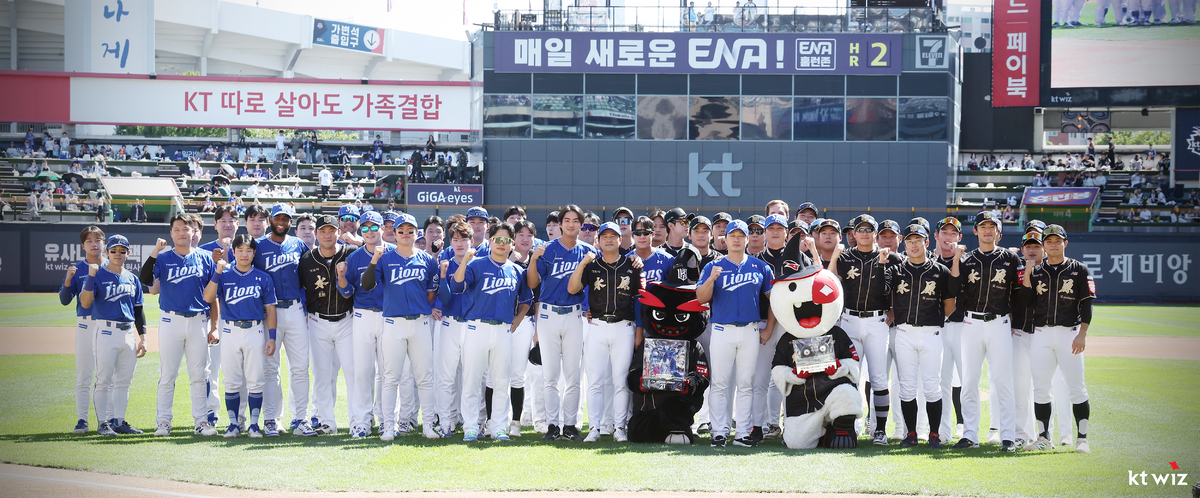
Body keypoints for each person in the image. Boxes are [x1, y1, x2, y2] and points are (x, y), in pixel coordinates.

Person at [450, 222, 533, 441]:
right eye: (497, 239)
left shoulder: (516, 270)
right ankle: (470, 426)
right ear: (490, 241)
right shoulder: (476, 264)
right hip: (476, 327)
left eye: (506, 240)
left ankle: (498, 427)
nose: (501, 244)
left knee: (501, 381)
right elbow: (457, 286)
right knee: (472, 380)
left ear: (512, 244)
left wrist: (517, 320)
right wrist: (464, 262)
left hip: (503, 330)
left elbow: (526, 300)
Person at [361, 213, 441, 441]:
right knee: (390, 377)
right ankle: (388, 426)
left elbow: (431, 292)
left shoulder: (427, 260)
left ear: (417, 234)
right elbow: (367, 284)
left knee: (424, 377)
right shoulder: (385, 258)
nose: (405, 234)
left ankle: (428, 426)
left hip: (419, 322)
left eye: (410, 230)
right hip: (393, 323)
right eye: (400, 230)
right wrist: (374, 259)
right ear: (394, 234)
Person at [696, 219, 774, 447]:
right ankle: (718, 431)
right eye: (733, 235)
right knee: (719, 383)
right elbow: (701, 298)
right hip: (721, 329)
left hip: (750, 330)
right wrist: (711, 279)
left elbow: (774, 301)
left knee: (746, 383)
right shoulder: (713, 266)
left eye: (742, 235)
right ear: (725, 239)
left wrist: (768, 328)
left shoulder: (760, 267)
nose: (737, 239)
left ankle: (742, 433)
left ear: (747, 238)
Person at [139, 214, 219, 437]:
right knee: (167, 374)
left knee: (199, 375)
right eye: (177, 229)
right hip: (170, 320)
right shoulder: (163, 259)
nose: (182, 233)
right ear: (171, 233)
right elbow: (145, 277)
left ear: (193, 232)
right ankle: (163, 422)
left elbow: (213, 297)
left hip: (198, 321)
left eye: (186, 229)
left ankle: (201, 422)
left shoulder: (205, 258)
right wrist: (155, 251)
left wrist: (215, 326)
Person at [1018, 225, 1095, 454]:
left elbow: (1087, 303)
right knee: (1041, 389)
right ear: (1044, 245)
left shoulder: (1078, 269)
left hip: (1069, 333)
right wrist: (1028, 274)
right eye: (1049, 241)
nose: (1053, 244)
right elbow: (1025, 301)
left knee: (1077, 388)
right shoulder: (1037, 271)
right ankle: (1043, 437)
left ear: (1065, 243)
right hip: (1041, 334)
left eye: (1057, 241)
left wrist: (1082, 334)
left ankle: (1082, 439)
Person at [829, 214, 903, 446]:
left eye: (868, 229)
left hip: (876, 321)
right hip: (849, 320)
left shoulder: (890, 257)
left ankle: (879, 429)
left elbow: (898, 290)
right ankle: (849, 427)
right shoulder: (845, 256)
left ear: (874, 233)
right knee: (850, 376)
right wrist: (834, 256)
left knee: (879, 377)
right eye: (859, 229)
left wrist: (893, 310)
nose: (863, 233)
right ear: (854, 233)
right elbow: (830, 280)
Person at [954, 212, 1022, 452]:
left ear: (998, 231)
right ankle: (970, 434)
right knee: (969, 380)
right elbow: (956, 291)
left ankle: (1008, 437)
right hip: (971, 323)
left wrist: (1014, 318)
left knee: (1002, 381)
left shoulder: (1011, 259)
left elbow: (1019, 293)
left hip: (999, 322)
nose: (987, 230)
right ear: (975, 231)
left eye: (992, 226)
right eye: (982, 226)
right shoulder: (967, 260)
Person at [569, 222, 643, 442]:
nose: (609, 240)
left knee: (621, 381)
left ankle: (620, 427)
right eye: (605, 236)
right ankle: (594, 428)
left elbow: (640, 299)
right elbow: (572, 289)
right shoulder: (592, 266)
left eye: (613, 236)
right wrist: (582, 263)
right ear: (598, 241)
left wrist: (639, 329)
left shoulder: (632, 264)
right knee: (595, 380)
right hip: (598, 326)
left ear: (621, 240)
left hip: (624, 327)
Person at [527, 205, 595, 441]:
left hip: (574, 313)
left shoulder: (588, 251)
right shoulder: (547, 249)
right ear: (560, 223)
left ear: (581, 224)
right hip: (548, 314)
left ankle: (570, 425)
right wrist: (534, 259)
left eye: (576, 220)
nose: (571, 224)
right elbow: (533, 283)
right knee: (551, 375)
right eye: (567, 220)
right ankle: (552, 425)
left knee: (573, 375)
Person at [888, 224, 957, 449]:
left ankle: (934, 434)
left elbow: (949, 305)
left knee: (932, 385)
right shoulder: (897, 270)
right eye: (910, 241)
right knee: (907, 385)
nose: (914, 244)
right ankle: (910, 433)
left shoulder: (940, 271)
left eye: (918, 240)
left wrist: (932, 320)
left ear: (927, 243)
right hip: (905, 331)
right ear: (904, 244)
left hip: (931, 332)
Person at [205, 235, 277, 438]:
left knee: (255, 380)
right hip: (230, 330)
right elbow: (208, 297)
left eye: (248, 250)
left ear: (254, 253)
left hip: (255, 330)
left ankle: (254, 425)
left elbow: (270, 310)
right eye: (240, 250)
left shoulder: (263, 277)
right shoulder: (225, 274)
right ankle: (234, 424)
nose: (244, 254)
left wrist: (271, 337)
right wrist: (218, 271)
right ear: (233, 252)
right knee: (232, 381)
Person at [253, 204, 315, 437]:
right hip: (269, 312)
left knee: (300, 367)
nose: (281, 221)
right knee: (270, 368)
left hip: (296, 309)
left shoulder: (298, 244)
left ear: (291, 221)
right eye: (277, 217)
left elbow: (306, 279)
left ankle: (301, 419)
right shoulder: (257, 246)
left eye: (286, 218)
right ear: (270, 219)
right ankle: (271, 419)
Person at [752, 214, 813, 441]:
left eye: (780, 228)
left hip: (792, 324)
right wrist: (766, 326)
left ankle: (791, 425)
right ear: (765, 233)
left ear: (787, 233)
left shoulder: (799, 257)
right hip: (764, 323)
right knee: (761, 378)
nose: (775, 232)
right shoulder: (755, 260)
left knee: (792, 377)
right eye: (771, 228)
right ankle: (762, 425)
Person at [79, 235, 147, 436]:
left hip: (128, 334)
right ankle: (102, 423)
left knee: (124, 381)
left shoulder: (132, 278)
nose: (118, 254)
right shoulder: (97, 275)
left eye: (122, 250)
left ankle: (118, 421)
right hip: (105, 331)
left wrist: (142, 337)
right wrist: (91, 277)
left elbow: (138, 311)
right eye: (114, 250)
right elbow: (85, 303)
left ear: (128, 253)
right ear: (107, 252)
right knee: (103, 379)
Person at [342, 211, 396, 439]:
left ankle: (386, 420)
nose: (370, 232)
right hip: (362, 315)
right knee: (363, 371)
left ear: (383, 229)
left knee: (388, 372)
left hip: (388, 315)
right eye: (365, 228)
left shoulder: (394, 252)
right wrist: (341, 279)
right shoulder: (354, 257)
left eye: (374, 227)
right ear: (359, 231)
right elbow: (347, 291)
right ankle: (362, 422)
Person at [300, 214, 356, 435]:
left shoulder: (351, 253)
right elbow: (302, 289)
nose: (327, 235)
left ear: (338, 233)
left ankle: (357, 421)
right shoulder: (306, 259)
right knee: (322, 374)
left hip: (347, 320)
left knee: (353, 373)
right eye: (322, 231)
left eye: (331, 230)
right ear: (316, 234)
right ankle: (326, 422)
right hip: (317, 321)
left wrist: (358, 241)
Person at [60, 226, 108, 434]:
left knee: (107, 377)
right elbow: (64, 300)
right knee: (84, 375)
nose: (94, 243)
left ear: (104, 243)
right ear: (83, 245)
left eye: (98, 239)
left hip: (107, 325)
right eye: (89, 241)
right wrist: (68, 280)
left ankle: (107, 421)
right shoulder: (77, 269)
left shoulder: (113, 266)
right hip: (85, 323)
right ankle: (82, 420)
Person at [433, 221, 475, 437]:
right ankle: (445, 422)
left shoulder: (479, 264)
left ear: (472, 241)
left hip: (473, 325)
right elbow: (444, 297)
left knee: (473, 377)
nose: (459, 244)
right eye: (455, 240)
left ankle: (473, 423)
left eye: (464, 239)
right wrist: (442, 276)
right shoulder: (445, 263)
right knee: (446, 377)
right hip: (449, 323)